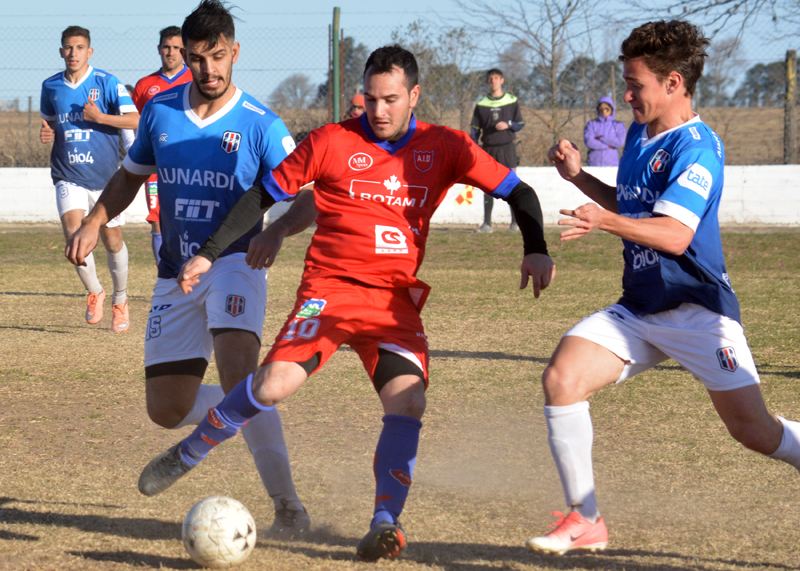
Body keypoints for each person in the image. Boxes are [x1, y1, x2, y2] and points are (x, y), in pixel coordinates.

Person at [135, 44, 556, 561]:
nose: (378, 111)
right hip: (328, 293)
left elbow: (521, 193)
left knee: (409, 401)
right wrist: (211, 253)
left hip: (393, 304)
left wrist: (535, 248)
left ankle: (385, 521)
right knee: (272, 383)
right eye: (371, 99)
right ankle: (190, 450)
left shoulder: (445, 147)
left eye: (391, 100)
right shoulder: (331, 140)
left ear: (414, 96)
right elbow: (261, 197)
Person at [527, 20, 800, 555]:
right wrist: (580, 178)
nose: (626, 95)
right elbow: (631, 206)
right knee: (562, 378)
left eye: (636, 84)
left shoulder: (698, 148)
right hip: (642, 307)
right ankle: (586, 519)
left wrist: (602, 223)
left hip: (699, 309)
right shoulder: (637, 133)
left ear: (674, 83)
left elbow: (674, 235)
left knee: (755, 433)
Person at [65, 0, 313, 538]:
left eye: (218, 57)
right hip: (174, 270)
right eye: (198, 58)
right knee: (167, 409)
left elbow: (310, 199)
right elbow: (131, 176)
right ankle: (237, 412)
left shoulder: (261, 125)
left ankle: (287, 504)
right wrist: (95, 219)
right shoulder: (161, 111)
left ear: (235, 52)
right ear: (185, 56)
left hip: (236, 263)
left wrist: (275, 231)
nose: (209, 70)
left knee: (238, 377)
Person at [40, 25, 140, 332]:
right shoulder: (51, 86)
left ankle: (120, 299)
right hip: (68, 174)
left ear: (89, 51)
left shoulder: (106, 83)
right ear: (61, 52)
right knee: (74, 235)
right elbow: (51, 123)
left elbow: (136, 119)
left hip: (105, 179)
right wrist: (48, 131)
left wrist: (101, 118)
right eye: (68, 48)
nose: (73, 53)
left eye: (79, 47)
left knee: (111, 241)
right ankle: (95, 291)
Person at [131, 26, 193, 265]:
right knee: (157, 219)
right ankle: (164, 278)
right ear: (159, 49)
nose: (171, 52)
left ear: (184, 51)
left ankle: (190, 274)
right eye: (166, 46)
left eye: (177, 47)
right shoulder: (145, 85)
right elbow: (132, 122)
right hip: (155, 166)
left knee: (188, 219)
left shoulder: (194, 80)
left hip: (189, 164)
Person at [470, 68, 525, 233]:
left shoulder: (511, 100)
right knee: (488, 186)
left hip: (507, 148)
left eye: (496, 78)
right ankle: (487, 224)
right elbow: (474, 129)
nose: (493, 81)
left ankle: (515, 224)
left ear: (502, 80)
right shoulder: (481, 104)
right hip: (488, 149)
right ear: (488, 82)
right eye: (490, 78)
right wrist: (474, 148)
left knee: (512, 184)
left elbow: (520, 124)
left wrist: (508, 124)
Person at [583, 96, 626, 167]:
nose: (603, 112)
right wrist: (608, 146)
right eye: (601, 109)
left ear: (612, 109)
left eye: (606, 109)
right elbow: (589, 142)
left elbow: (619, 142)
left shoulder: (618, 125)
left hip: (612, 164)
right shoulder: (591, 124)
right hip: (594, 163)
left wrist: (601, 138)